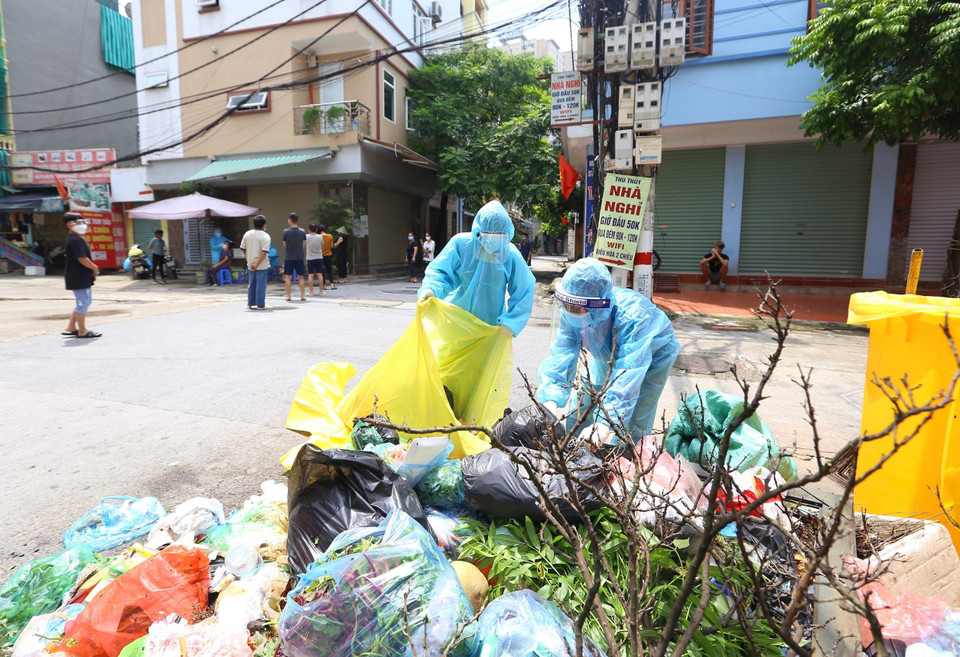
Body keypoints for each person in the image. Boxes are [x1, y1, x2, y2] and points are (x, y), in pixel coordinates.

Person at [537, 258, 680, 448]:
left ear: (597, 306)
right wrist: (550, 399)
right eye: (566, 305)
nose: (570, 311)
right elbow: (562, 353)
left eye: (576, 308)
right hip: (608, 353)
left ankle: (628, 459)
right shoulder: (572, 309)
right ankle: (574, 449)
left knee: (635, 416)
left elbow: (628, 375)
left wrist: (605, 423)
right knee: (584, 407)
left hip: (654, 353)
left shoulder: (632, 318)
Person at [418, 200, 536, 338]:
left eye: (498, 236)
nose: (492, 240)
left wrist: (511, 322)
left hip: (488, 326)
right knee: (451, 358)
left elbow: (523, 290)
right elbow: (442, 271)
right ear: (478, 231)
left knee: (483, 360)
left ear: (507, 234)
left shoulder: (511, 254)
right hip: (456, 318)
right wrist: (432, 288)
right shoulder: (461, 244)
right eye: (488, 234)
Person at [61, 212, 101, 338]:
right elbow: (82, 258)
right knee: (83, 302)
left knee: (82, 301)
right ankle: (82, 330)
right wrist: (94, 268)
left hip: (79, 275)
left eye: (83, 222)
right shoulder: (75, 240)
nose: (82, 225)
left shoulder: (77, 239)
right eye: (79, 223)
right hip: (78, 275)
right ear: (69, 225)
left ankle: (71, 327)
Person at [240, 215, 272, 309]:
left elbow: (242, 248)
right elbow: (264, 252)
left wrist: (249, 257)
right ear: (263, 225)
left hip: (250, 263)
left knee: (251, 284)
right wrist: (257, 263)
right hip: (261, 264)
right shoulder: (266, 236)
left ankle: (249, 304)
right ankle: (260, 304)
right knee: (261, 285)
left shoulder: (247, 234)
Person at [282, 212, 307, 302]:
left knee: (288, 277)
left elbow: (284, 244)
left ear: (290, 220)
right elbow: (304, 244)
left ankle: (288, 296)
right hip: (299, 256)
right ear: (298, 220)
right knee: (301, 277)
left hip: (289, 257)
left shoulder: (286, 231)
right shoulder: (302, 231)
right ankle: (302, 295)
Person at [305, 223, 325, 295]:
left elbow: (304, 245)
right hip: (319, 257)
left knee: (310, 275)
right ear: (316, 229)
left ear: (309, 229)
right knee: (320, 274)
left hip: (310, 258)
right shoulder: (320, 237)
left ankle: (311, 291)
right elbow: (322, 245)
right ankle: (321, 291)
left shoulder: (306, 236)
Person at [319, 225, 336, 290]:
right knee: (329, 270)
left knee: (322, 270)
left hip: (321, 255)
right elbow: (331, 246)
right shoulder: (330, 236)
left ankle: (324, 285)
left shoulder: (319, 237)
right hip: (328, 255)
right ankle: (332, 285)